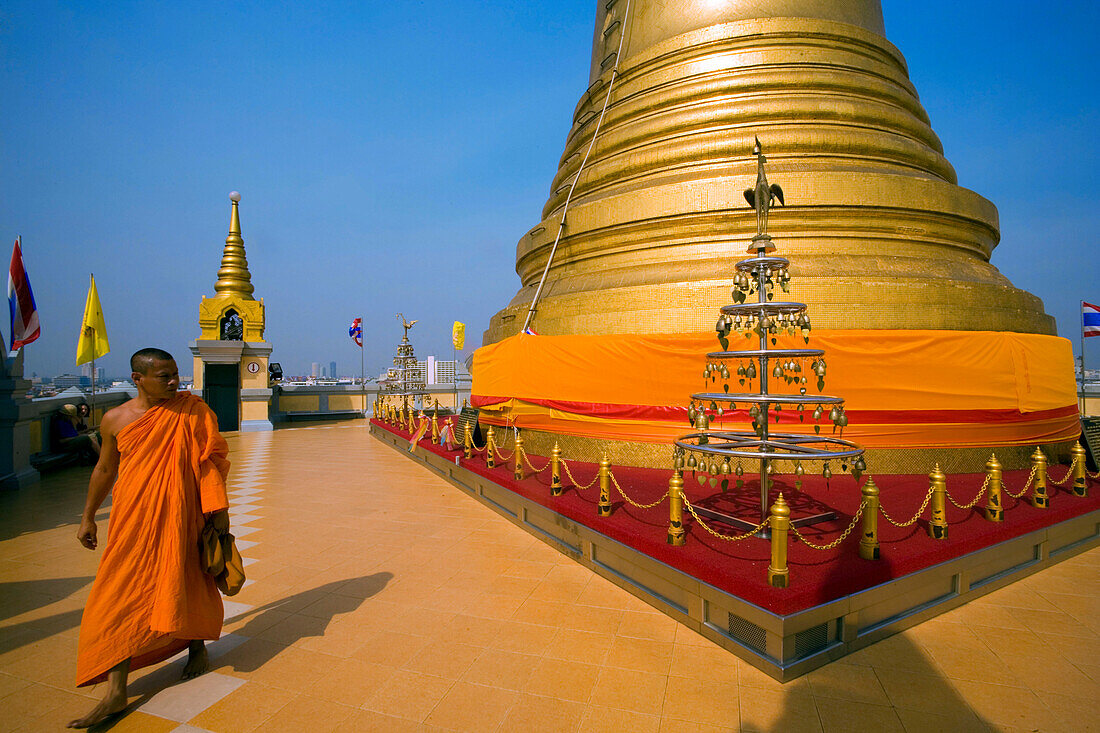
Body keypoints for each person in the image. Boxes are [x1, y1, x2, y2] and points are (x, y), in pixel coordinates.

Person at [68, 348, 232, 728]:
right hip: (133, 518)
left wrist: (218, 515)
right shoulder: (115, 419)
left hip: (183, 511)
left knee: (187, 576)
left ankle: (196, 647)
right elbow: (105, 468)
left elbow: (211, 460)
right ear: (137, 379)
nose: (175, 382)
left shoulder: (193, 411)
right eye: (165, 376)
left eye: (175, 374)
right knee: (116, 594)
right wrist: (88, 517)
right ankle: (116, 688)